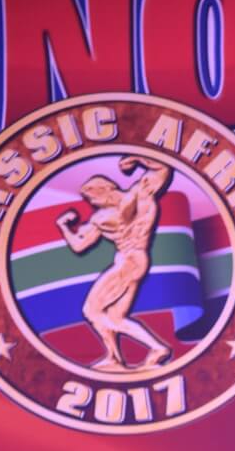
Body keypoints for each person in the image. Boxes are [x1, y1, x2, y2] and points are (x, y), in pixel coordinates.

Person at [56, 156, 172, 369]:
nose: (92, 204)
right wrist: (63, 227)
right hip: (138, 261)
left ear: (104, 190)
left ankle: (155, 346)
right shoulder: (139, 195)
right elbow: (79, 246)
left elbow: (163, 168)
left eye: (92, 198)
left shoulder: (108, 213)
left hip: (127, 262)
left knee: (91, 310)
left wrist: (137, 157)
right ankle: (115, 357)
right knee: (115, 317)